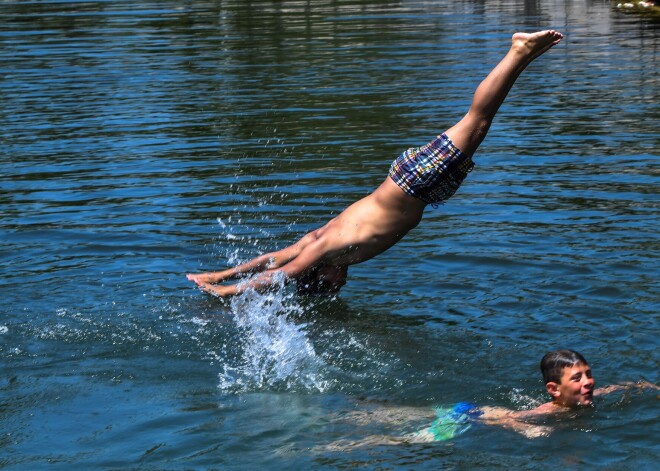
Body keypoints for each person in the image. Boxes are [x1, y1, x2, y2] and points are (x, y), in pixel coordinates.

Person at [187, 30, 565, 297]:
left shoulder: (328, 246)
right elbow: (271, 257)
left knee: (477, 121)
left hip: (415, 184)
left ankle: (518, 50)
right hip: (413, 184)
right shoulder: (315, 240)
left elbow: (281, 273)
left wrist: (228, 291)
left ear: (323, 273)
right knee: (478, 124)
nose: (343, 283)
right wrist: (217, 273)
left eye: (334, 284)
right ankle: (524, 55)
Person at [321, 349, 659, 450]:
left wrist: (646, 386)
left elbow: (620, 387)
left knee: (398, 414)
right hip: (465, 419)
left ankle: (356, 412)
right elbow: (514, 420)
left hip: (468, 408)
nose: (589, 383)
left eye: (588, 374)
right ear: (554, 390)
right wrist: (529, 431)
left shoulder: (587, 397)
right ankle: (339, 447)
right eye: (578, 378)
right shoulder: (546, 411)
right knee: (403, 440)